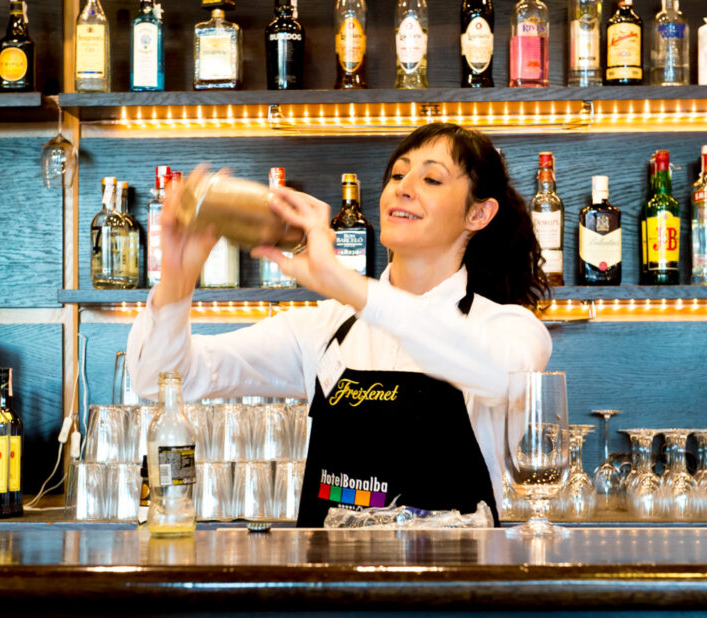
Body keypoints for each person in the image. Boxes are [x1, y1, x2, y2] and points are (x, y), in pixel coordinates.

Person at [127, 122, 552, 527]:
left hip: (451, 590)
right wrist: (178, 278)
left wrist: (346, 284)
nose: (402, 188)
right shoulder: (324, 329)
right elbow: (164, 380)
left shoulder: (509, 328)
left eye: (431, 180)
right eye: (398, 175)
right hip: (329, 589)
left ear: (478, 214)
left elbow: (498, 375)